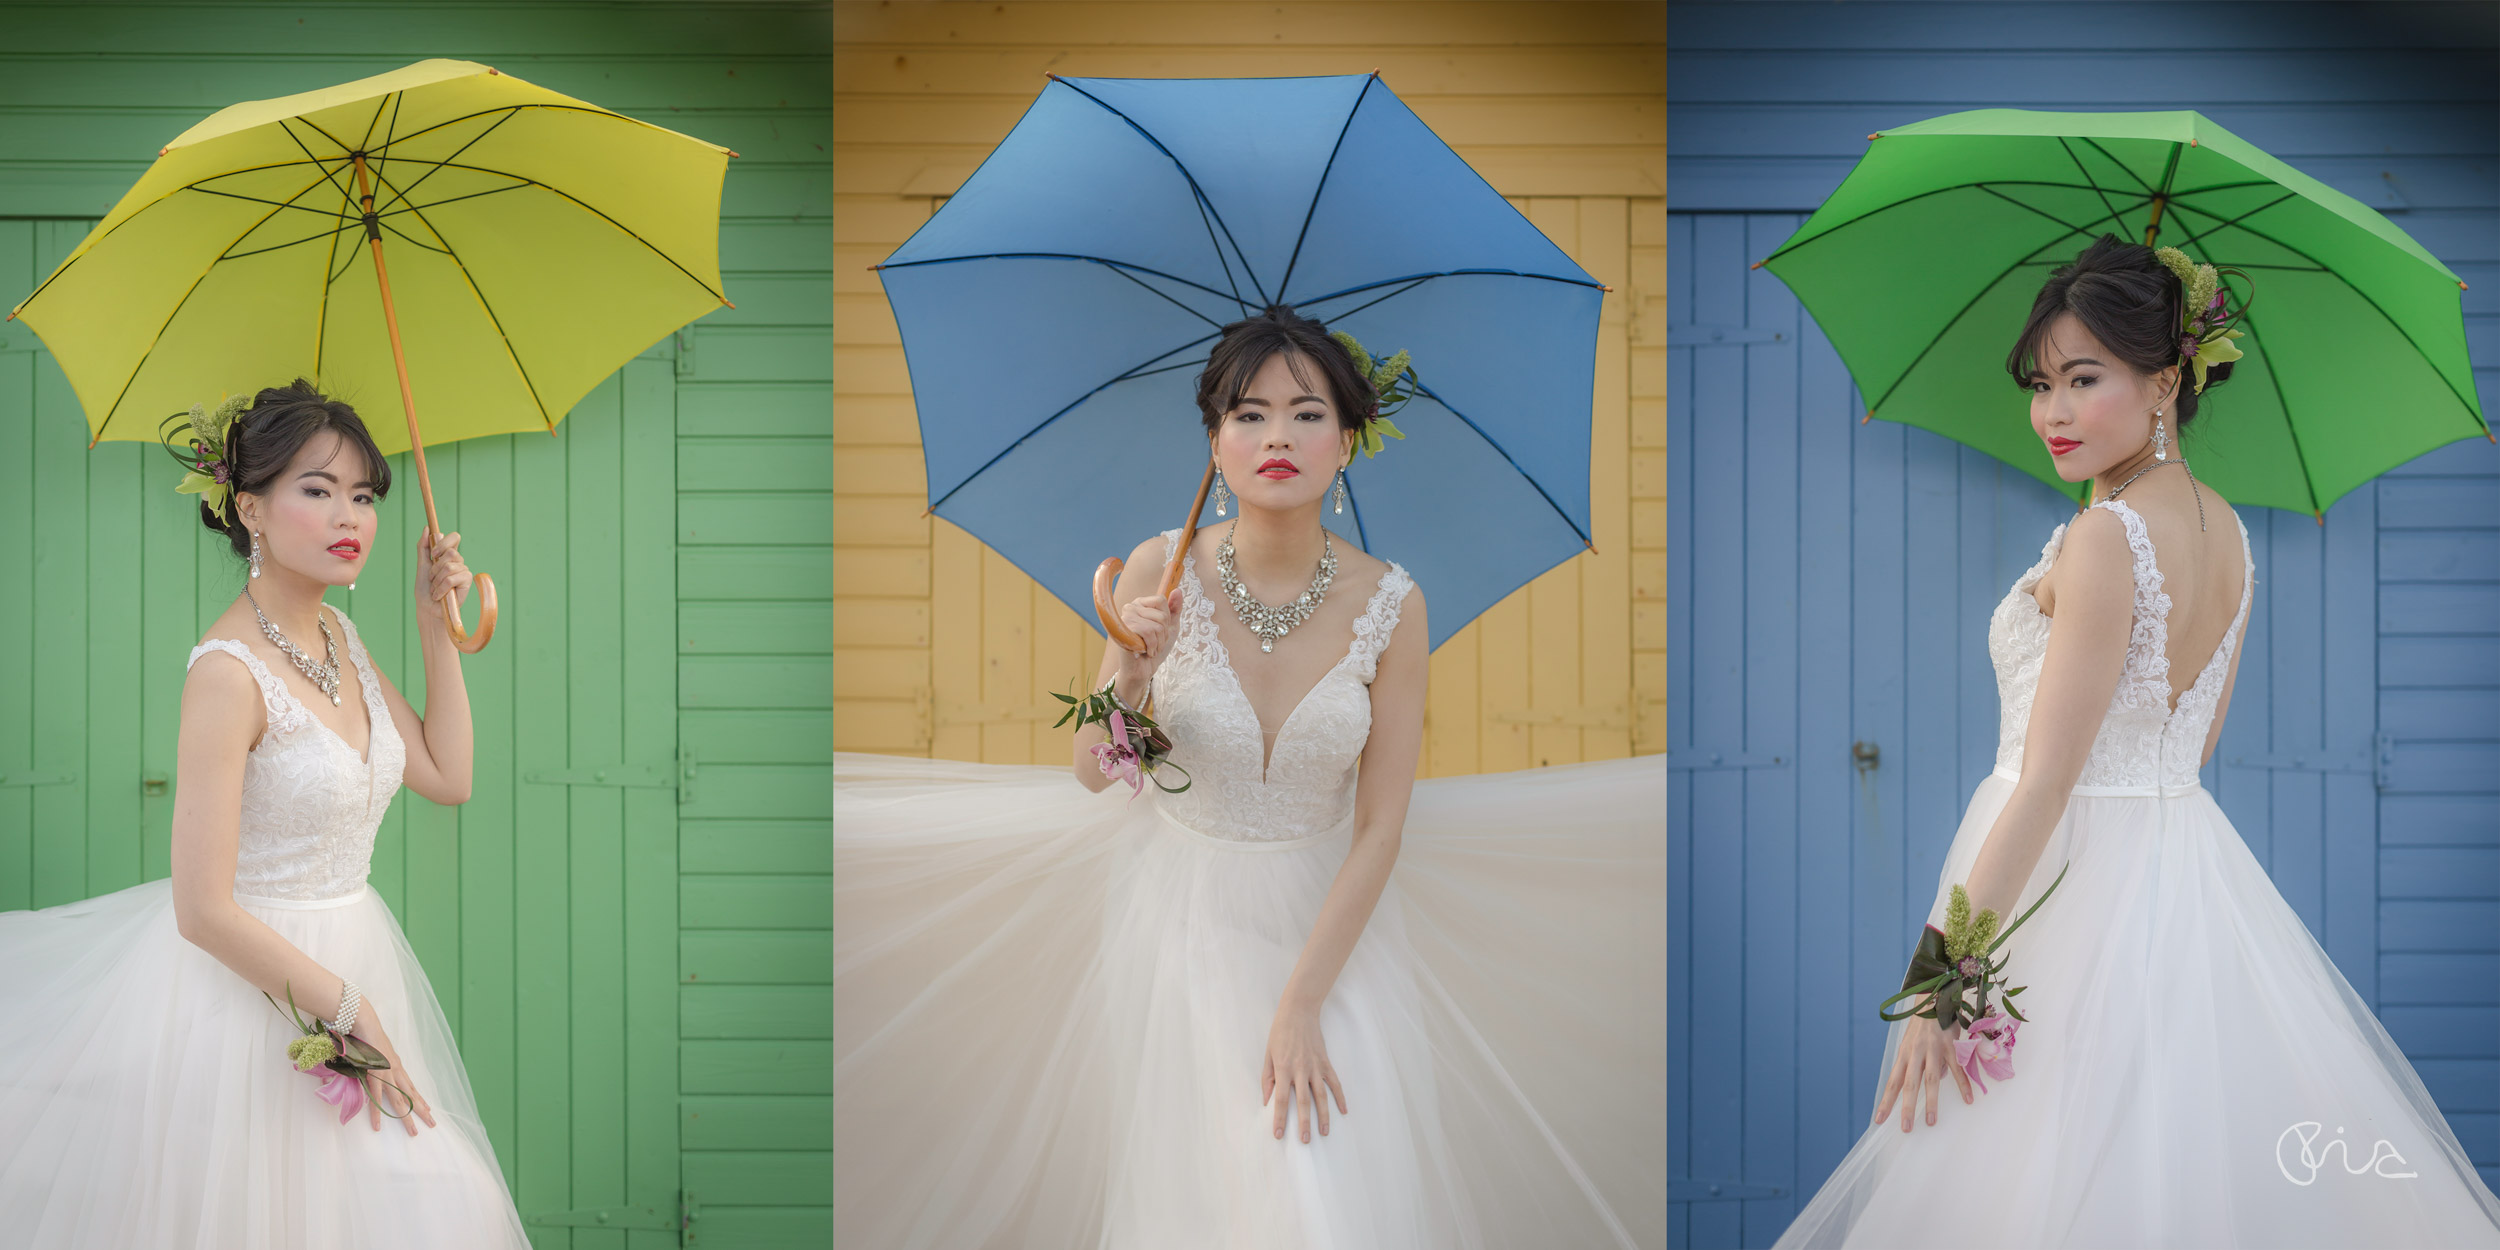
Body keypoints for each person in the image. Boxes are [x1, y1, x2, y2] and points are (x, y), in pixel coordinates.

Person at [835, 304, 1667, 1247]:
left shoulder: (1393, 603)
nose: (1278, 435)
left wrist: (1304, 1003)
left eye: (1308, 413)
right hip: (1185, 930)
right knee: (1218, 1196)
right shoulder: (1160, 570)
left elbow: (1382, 825)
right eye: (1249, 413)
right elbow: (1092, 771)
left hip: (1333, 937)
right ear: (1215, 442)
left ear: (1347, 442)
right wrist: (1134, 669)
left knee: (1324, 1190)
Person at [1772, 237, 2500, 1247]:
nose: (2052, 412)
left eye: (2083, 378)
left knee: (2039, 1175)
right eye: (2040, 383)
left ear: (2164, 381)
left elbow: (2044, 782)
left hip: (2065, 876)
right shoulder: (2228, 532)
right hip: (2178, 872)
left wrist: (1938, 984)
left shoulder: (2105, 536)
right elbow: (2183, 749)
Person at [0, 380, 529, 1246]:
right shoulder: (227, 672)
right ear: (250, 507)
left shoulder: (342, 641)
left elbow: (447, 773)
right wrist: (347, 1008)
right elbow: (201, 908)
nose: (347, 514)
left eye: (362, 495)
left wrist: (440, 625)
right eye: (316, 490)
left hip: (355, 956)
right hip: (250, 993)